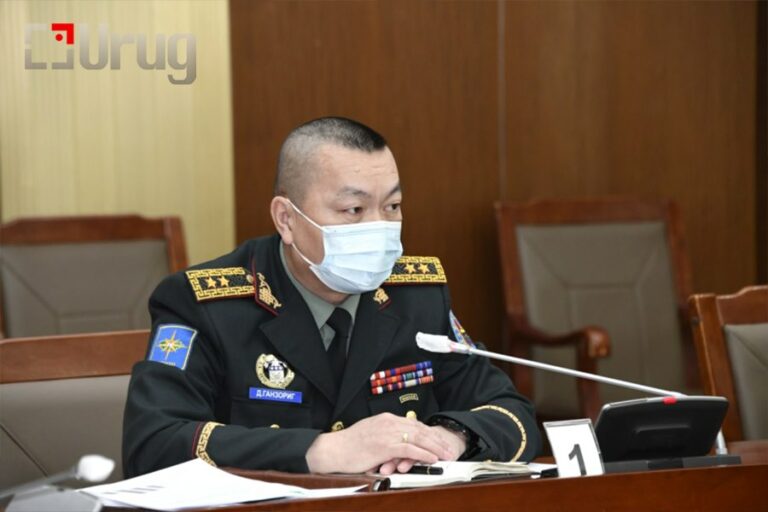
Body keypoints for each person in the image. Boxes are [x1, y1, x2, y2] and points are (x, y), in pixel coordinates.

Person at [122, 117, 540, 477]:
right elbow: (152, 444)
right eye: (354, 210)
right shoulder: (206, 304)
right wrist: (320, 450)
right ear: (286, 219)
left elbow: (513, 413)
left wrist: (451, 438)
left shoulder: (417, 295)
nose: (379, 227)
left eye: (392, 206)